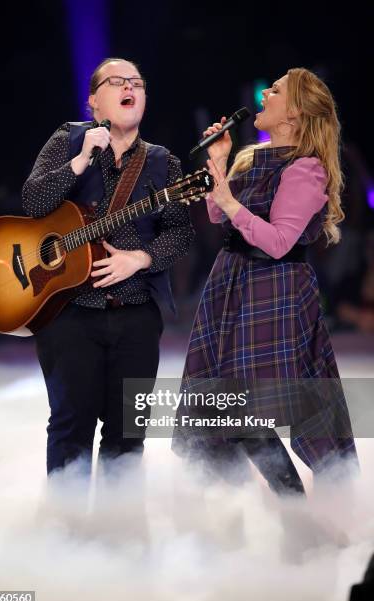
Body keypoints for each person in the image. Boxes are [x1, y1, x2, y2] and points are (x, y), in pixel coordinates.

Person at [172, 68, 358, 495]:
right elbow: (219, 215)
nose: (264, 94)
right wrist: (218, 161)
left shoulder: (306, 170)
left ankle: (300, 513)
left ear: (294, 114)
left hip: (273, 290)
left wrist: (230, 204)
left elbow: (277, 241)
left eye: (274, 91)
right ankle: (255, 513)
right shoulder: (252, 157)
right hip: (232, 283)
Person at [22, 57, 194, 476]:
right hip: (68, 313)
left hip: (135, 315)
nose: (128, 87)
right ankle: (68, 533)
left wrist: (142, 258)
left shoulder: (163, 163)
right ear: (94, 102)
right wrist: (80, 160)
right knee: (70, 427)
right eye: (116, 81)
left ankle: (119, 533)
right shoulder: (66, 140)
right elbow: (33, 202)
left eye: (136, 82)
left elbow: (180, 232)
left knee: (127, 434)